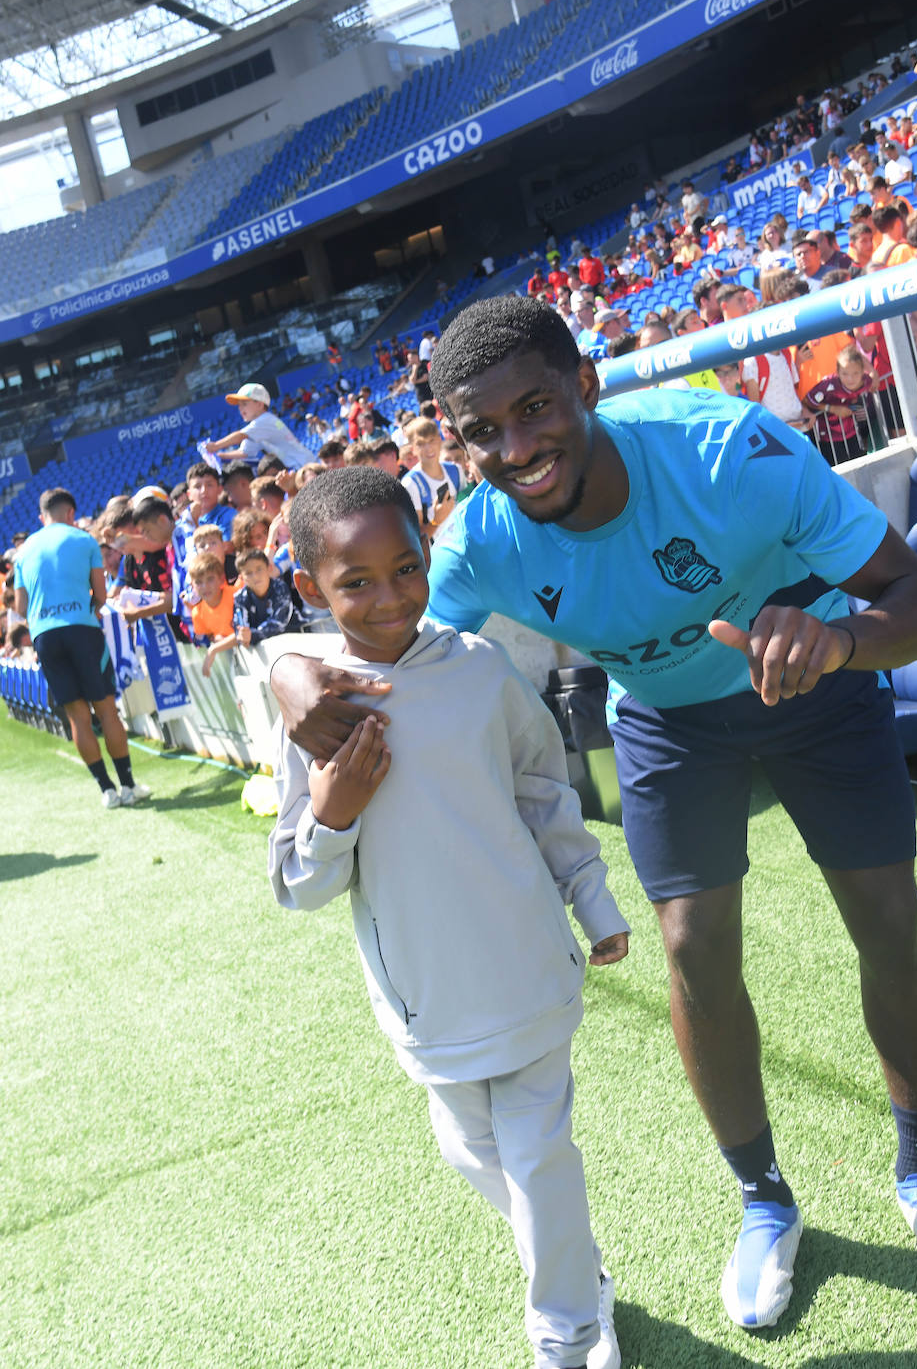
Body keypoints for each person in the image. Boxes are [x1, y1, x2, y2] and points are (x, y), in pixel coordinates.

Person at [270, 296, 917, 1332]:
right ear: (456, 440)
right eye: (483, 431)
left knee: (885, 921)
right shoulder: (477, 541)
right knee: (694, 948)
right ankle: (762, 1200)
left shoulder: (728, 450)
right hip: (664, 721)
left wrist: (835, 643)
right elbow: (387, 637)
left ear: (586, 387)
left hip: (817, 683)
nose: (516, 449)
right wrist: (288, 670)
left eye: (535, 408)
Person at [270, 466, 628, 1369]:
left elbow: (543, 788)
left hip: (527, 968)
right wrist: (334, 812)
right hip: (427, 1001)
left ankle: (568, 1330)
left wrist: (591, 896)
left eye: (407, 568)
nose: (389, 597)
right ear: (313, 588)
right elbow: (298, 885)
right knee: (473, 1154)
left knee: (541, 1157)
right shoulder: (313, 709)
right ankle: (582, 1273)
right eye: (355, 582)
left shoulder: (479, 669)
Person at [12, 487, 148, 808]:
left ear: (41, 516)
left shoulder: (24, 550)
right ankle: (128, 786)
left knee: (77, 717)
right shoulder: (83, 539)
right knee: (106, 710)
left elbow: (20, 605)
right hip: (82, 630)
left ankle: (107, 790)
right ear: (71, 513)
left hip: (45, 636)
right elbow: (101, 595)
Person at [203, 384, 312, 470]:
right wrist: (218, 456)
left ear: (260, 404)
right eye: (239, 405)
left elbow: (240, 436)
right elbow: (243, 453)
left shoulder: (265, 420)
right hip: (301, 465)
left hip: (305, 465)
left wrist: (216, 445)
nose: (240, 409)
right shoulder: (259, 429)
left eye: (244, 404)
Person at [401, 416, 466, 542]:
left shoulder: (455, 470)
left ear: (439, 440)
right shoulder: (410, 483)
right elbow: (415, 540)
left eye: (431, 440)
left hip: (466, 544)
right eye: (420, 443)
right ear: (413, 449)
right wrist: (436, 521)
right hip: (437, 556)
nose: (428, 448)